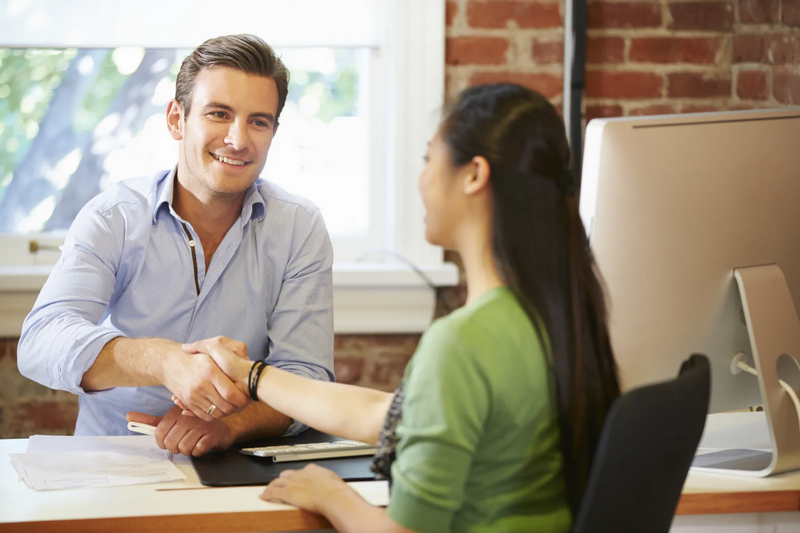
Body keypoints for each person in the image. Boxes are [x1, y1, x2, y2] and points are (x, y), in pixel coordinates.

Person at [182, 84, 621, 532]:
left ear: (473, 175)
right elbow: (389, 416)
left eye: (429, 159)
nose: (423, 178)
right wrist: (250, 374)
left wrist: (333, 495)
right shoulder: (549, 317)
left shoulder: (462, 344)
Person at [17, 34, 335, 456]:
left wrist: (233, 425)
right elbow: (41, 340)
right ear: (176, 120)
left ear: (274, 131)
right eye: (219, 114)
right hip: (110, 460)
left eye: (258, 121)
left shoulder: (300, 226)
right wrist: (166, 362)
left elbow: (306, 377)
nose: (238, 139)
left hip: (233, 462)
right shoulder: (114, 215)